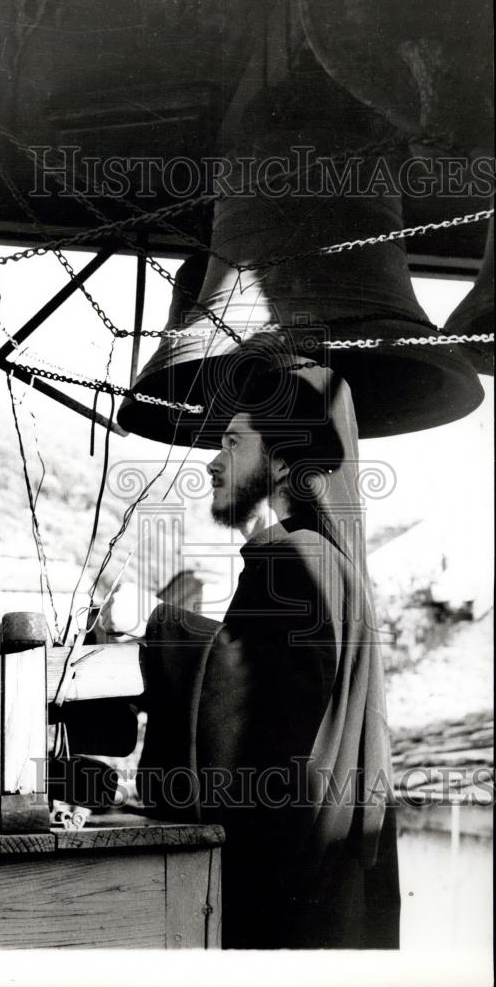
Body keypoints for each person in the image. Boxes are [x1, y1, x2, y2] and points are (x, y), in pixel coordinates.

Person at [102, 356, 400, 949]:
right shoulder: (312, 559)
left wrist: (153, 621)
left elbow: (247, 708)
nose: (212, 463)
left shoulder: (297, 559)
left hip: (286, 882)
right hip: (315, 877)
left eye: (233, 444)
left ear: (284, 465)